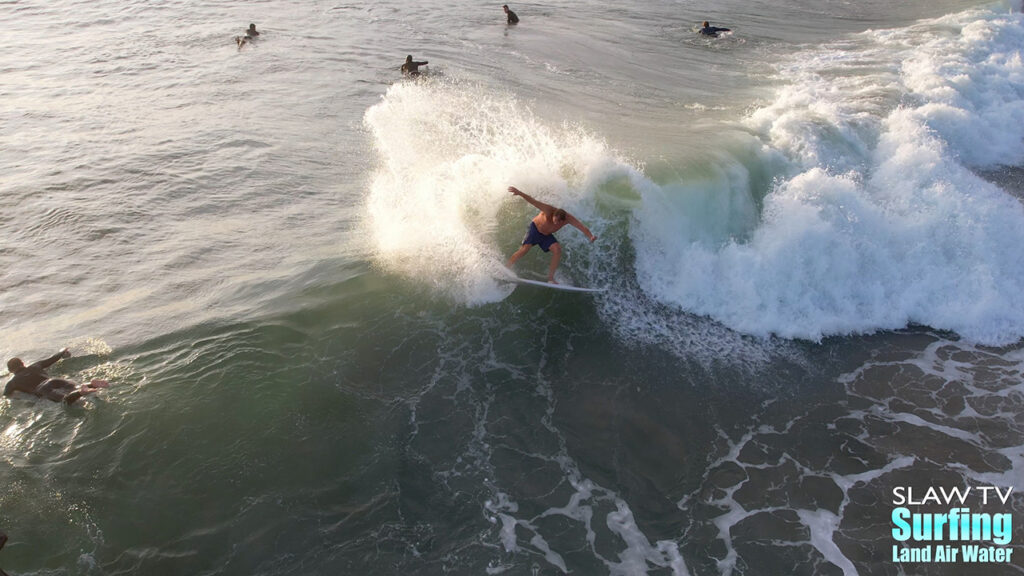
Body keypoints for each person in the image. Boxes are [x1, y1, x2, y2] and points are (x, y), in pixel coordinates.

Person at [506, 186, 597, 283]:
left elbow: (581, 227)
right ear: (554, 215)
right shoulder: (548, 210)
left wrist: (590, 236)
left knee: (557, 249)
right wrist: (519, 193)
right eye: (555, 220)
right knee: (524, 250)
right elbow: (533, 201)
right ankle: (507, 268)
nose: (556, 223)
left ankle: (550, 278)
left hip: (546, 236)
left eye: (559, 222)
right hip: (534, 230)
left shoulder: (568, 218)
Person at [4, 349, 107, 405]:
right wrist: (63, 352)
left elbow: (6, 395)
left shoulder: (12, 382)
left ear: (10, 371)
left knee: (65, 400)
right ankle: (91, 384)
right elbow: (53, 358)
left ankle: (82, 392)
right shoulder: (35, 365)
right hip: (54, 380)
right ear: (23, 363)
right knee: (74, 387)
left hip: (43, 389)